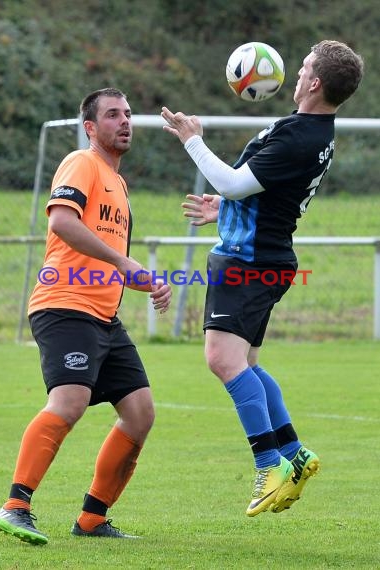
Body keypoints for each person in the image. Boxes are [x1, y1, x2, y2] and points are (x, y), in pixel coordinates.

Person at [161, 40, 363, 517]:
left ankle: (269, 464)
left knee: (221, 360)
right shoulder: (310, 130)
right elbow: (255, 192)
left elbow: (233, 182)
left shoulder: (300, 136)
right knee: (245, 364)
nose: (296, 72)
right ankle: (294, 454)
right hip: (262, 254)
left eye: (305, 68)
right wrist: (226, 208)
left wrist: (193, 138)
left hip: (248, 261)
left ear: (315, 83)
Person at [0, 87, 172, 544]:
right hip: (64, 304)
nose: (125, 121)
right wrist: (124, 263)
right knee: (69, 403)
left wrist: (140, 279)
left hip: (103, 315)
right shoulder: (81, 162)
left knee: (140, 413)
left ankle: (92, 518)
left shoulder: (120, 183)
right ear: (91, 127)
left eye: (128, 114)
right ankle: (15, 505)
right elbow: (62, 223)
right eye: (113, 115)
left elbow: (107, 254)